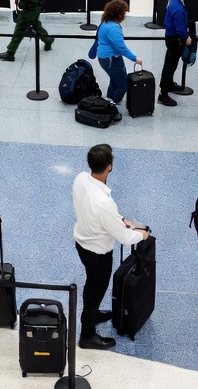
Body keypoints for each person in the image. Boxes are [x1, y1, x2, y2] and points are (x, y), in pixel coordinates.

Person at [72, 143, 149, 350]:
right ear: (110, 167)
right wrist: (140, 235)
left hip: (82, 241)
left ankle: (93, 313)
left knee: (91, 284)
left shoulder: (80, 178)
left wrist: (117, 219)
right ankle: (87, 335)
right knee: (95, 289)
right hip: (98, 253)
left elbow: (103, 216)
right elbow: (124, 237)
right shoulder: (104, 203)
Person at [94, 0, 139, 115]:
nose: (124, 15)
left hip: (106, 57)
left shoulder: (105, 22)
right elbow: (121, 48)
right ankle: (111, 106)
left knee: (114, 80)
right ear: (119, 13)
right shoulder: (113, 28)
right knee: (122, 85)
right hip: (111, 59)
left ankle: (109, 99)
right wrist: (135, 58)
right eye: (124, 12)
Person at [158, 0, 191, 107]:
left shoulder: (172, 0)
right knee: (170, 65)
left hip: (170, 37)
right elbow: (180, 28)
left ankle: (169, 84)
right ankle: (163, 94)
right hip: (175, 39)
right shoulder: (178, 10)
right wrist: (186, 38)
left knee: (170, 62)